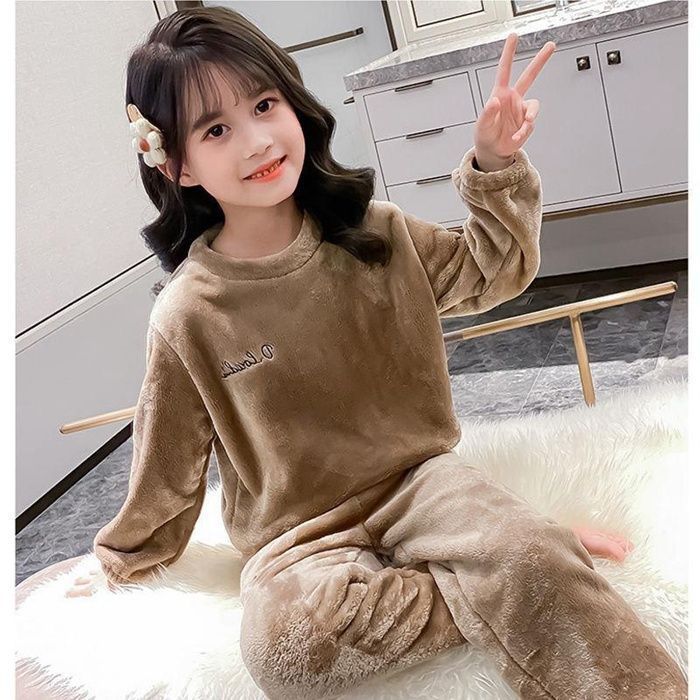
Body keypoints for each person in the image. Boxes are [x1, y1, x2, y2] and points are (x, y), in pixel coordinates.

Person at [65, 7, 686, 699]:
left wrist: (495, 165)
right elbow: (168, 465)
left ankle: (534, 575)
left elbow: (493, 269)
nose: (257, 141)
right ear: (176, 165)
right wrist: (119, 562)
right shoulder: (189, 314)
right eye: (216, 130)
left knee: (525, 553)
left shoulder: (377, 233)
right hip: (299, 537)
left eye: (264, 105)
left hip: (424, 481)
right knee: (286, 645)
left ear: (293, 103)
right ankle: (505, 576)